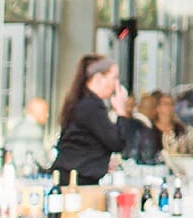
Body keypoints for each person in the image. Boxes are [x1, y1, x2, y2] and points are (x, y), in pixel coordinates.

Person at [52, 54, 135, 185]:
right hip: (77, 179)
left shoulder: (81, 102)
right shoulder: (91, 106)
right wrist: (121, 111)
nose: (116, 84)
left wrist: (100, 160)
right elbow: (117, 143)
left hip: (73, 174)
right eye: (114, 78)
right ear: (98, 78)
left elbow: (86, 141)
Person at [2, 94, 53, 172]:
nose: (47, 115)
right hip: (26, 172)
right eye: (45, 111)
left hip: (11, 171)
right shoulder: (35, 130)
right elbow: (42, 160)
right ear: (36, 111)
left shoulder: (16, 127)